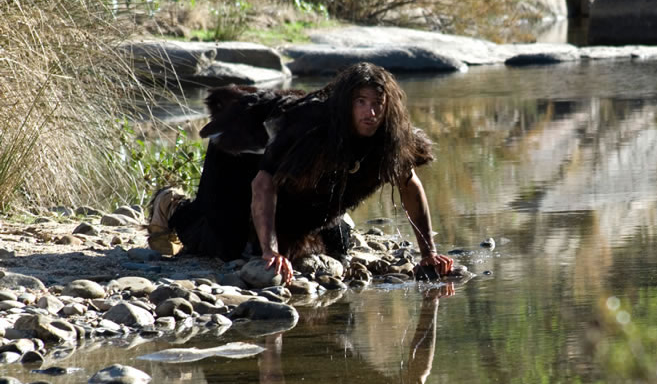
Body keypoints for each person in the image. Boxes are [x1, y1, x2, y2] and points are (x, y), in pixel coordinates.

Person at [148, 62, 453, 283]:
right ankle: (171, 204)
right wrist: (270, 251)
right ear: (346, 104)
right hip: (238, 158)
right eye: (361, 102)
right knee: (227, 246)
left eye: (377, 104)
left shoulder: (391, 136)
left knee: (339, 247)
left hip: (300, 191)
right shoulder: (310, 126)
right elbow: (263, 183)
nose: (370, 112)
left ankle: (324, 221)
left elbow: (409, 185)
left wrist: (428, 252)